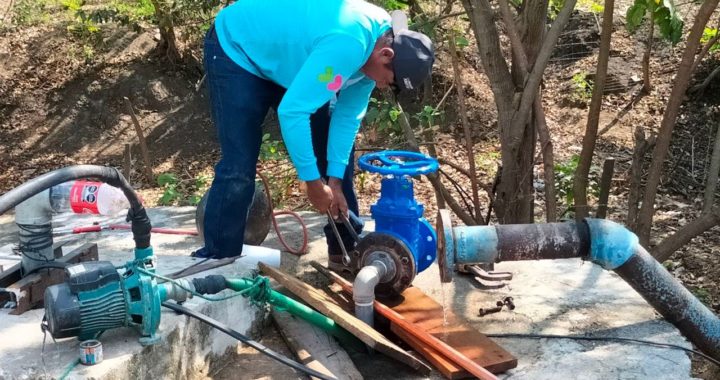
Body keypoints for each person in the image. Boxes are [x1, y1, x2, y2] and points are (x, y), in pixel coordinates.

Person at [195, 0, 434, 269]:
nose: (382, 86)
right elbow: (292, 113)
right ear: (387, 55)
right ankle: (219, 258)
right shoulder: (349, 43)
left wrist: (332, 180)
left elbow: (345, 120)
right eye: (388, 81)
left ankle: (348, 254)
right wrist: (311, 182)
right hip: (240, 49)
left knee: (333, 158)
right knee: (240, 162)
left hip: (297, 60)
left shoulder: (374, 55)